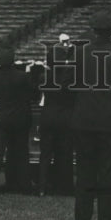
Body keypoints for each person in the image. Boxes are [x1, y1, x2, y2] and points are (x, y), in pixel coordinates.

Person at [71, 10, 111, 220]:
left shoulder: (79, 54)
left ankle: (82, 217)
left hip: (83, 120)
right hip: (110, 121)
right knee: (107, 170)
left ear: (93, 30)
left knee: (85, 169)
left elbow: (69, 87)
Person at [0, 46, 37, 194]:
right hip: (20, 117)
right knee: (21, 151)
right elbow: (33, 95)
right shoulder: (22, 76)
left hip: (2, 117)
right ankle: (24, 186)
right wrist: (30, 73)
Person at [38, 34, 76, 196]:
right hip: (65, 116)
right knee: (65, 153)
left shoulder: (44, 76)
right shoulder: (71, 79)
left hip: (48, 115)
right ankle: (64, 186)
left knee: (45, 154)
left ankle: (42, 186)